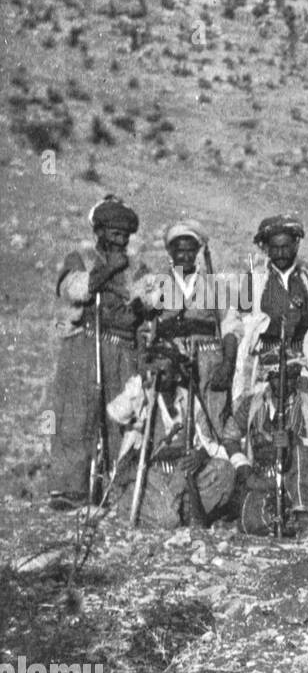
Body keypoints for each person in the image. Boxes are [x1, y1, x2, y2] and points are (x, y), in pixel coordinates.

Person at [48, 195, 154, 509]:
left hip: (123, 350)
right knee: (76, 415)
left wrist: (137, 295)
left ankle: (114, 490)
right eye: (114, 234)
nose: (120, 241)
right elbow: (74, 289)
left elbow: (150, 297)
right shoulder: (80, 257)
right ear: (100, 232)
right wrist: (105, 272)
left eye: (125, 236)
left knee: (118, 419)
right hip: (85, 344)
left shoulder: (137, 266)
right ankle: (70, 488)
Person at [106, 338, 236, 529]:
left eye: (164, 373)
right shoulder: (144, 394)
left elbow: (207, 442)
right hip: (153, 473)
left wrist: (200, 455)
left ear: (176, 376)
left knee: (226, 472)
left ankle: (179, 510)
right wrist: (141, 382)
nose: (157, 376)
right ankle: (147, 505)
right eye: (155, 370)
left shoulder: (188, 398)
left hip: (180, 473)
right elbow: (115, 412)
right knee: (167, 519)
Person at [218, 214, 308, 419]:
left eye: (286, 246)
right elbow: (235, 322)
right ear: (266, 248)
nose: (281, 253)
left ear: (296, 245)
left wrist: (302, 323)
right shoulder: (254, 280)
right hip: (263, 368)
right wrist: (267, 325)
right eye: (275, 248)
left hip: (299, 366)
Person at [221, 345, 308, 536]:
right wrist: (244, 469)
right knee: (252, 522)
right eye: (278, 377)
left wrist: (295, 442)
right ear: (269, 377)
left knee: (301, 458)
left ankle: (303, 519)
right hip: (262, 481)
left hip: (301, 481)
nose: (284, 383)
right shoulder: (252, 404)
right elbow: (229, 436)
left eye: (290, 377)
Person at [153, 220, 227, 432]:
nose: (185, 257)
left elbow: (229, 324)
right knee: (171, 420)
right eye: (179, 251)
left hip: (207, 360)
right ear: (170, 251)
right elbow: (147, 327)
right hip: (171, 360)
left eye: (190, 251)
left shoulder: (213, 284)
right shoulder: (158, 283)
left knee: (212, 422)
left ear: (197, 252)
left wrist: (227, 362)